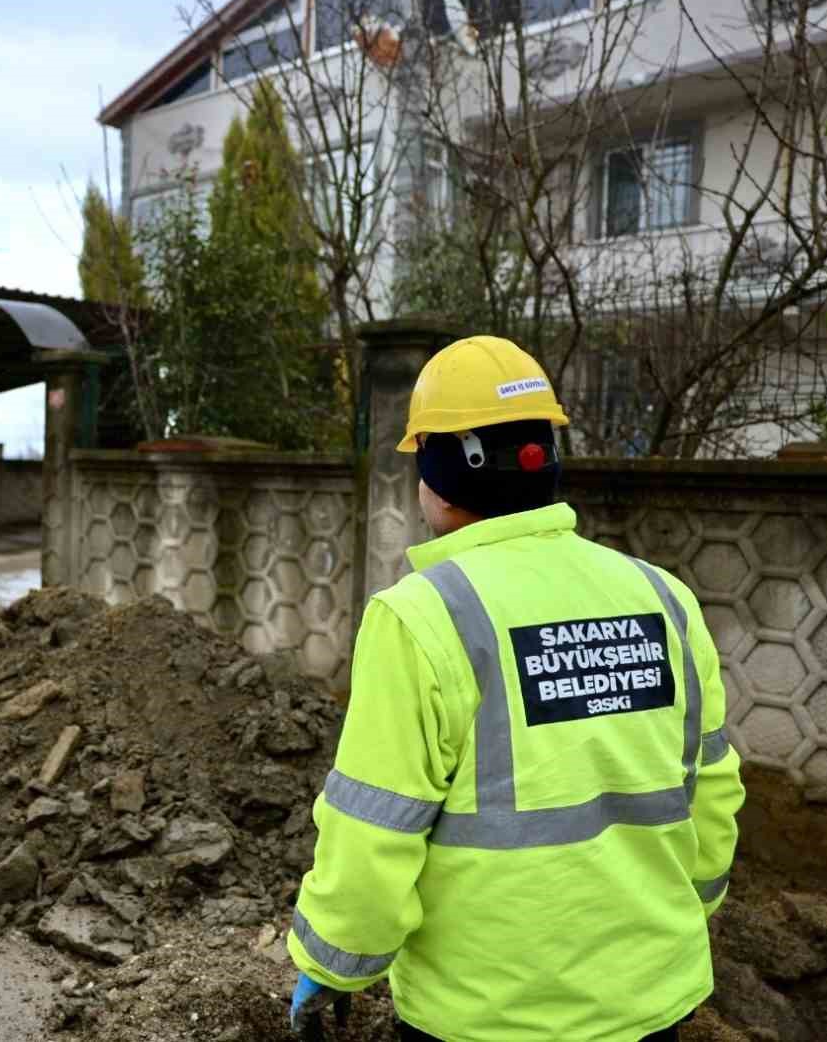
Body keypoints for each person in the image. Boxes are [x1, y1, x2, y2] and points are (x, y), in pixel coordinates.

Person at [285, 336, 744, 1042]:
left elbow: (375, 829)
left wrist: (333, 961)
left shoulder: (420, 616)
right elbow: (711, 792)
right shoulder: (663, 598)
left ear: (441, 473)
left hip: (486, 1015)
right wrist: (681, 915)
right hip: (653, 997)